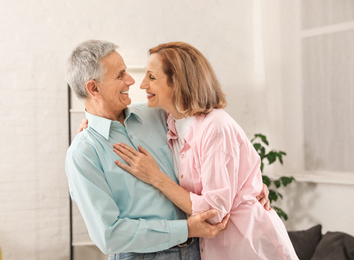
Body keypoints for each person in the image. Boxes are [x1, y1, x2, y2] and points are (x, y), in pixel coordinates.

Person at [66, 39, 270, 259]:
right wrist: (186, 229)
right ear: (93, 88)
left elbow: (217, 141)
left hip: (198, 249)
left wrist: (247, 184)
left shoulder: (157, 113)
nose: (132, 80)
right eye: (120, 75)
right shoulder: (83, 154)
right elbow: (109, 235)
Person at [113, 42, 298, 259]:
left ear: (179, 83)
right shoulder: (172, 120)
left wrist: (156, 178)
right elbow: (117, 113)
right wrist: (90, 123)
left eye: (152, 77)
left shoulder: (216, 128)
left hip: (250, 247)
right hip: (216, 248)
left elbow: (214, 212)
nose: (143, 84)